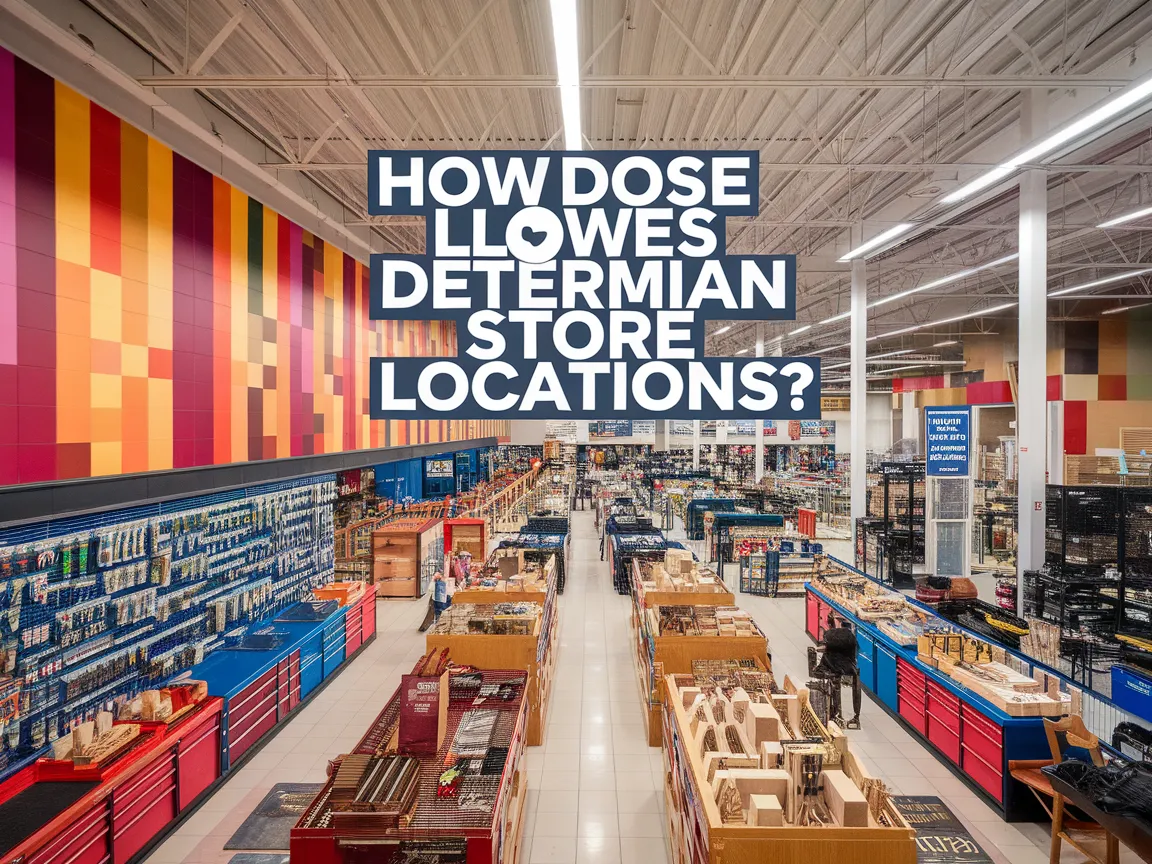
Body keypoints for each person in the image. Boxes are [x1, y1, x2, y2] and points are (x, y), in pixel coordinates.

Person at [809, 612, 861, 729]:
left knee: (835, 686)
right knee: (850, 690)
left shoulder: (830, 635)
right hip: (850, 669)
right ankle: (854, 717)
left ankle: (837, 714)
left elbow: (826, 649)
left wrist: (816, 650)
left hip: (834, 669)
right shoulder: (851, 637)